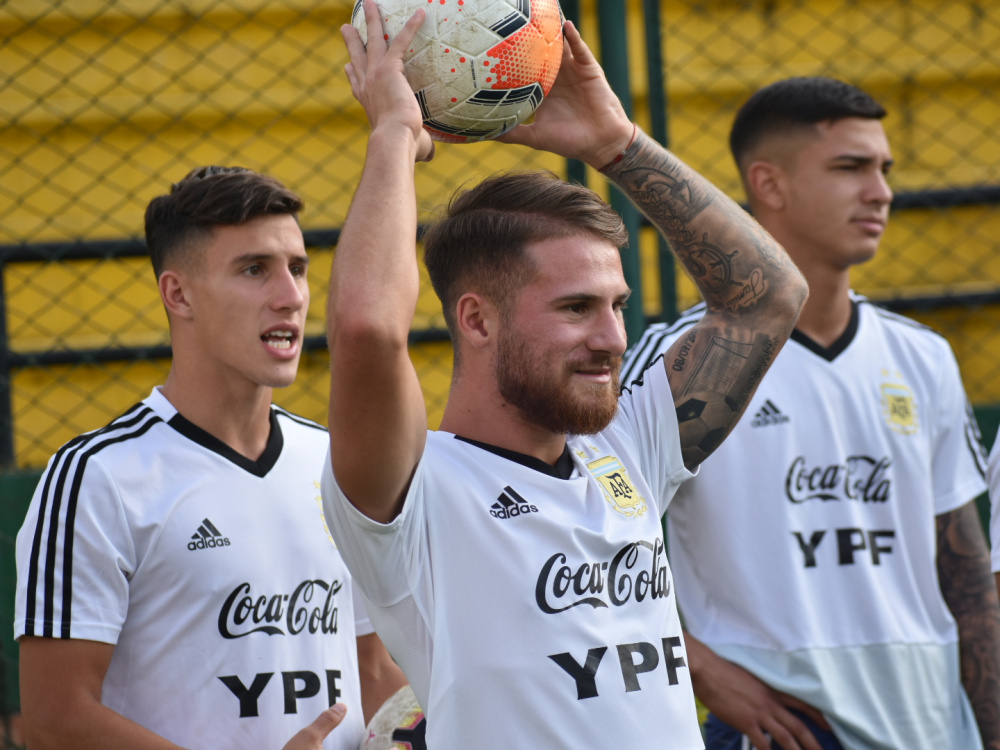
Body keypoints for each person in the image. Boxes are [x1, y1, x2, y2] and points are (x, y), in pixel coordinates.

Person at [319, 3, 808, 747]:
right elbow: (367, 330)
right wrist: (392, 134)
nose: (613, 338)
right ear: (476, 320)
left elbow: (771, 297)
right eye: (576, 307)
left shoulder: (628, 448)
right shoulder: (411, 494)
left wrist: (618, 145)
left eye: (617, 305)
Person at [621, 77, 1000, 750]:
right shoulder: (680, 360)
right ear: (769, 184)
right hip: (783, 730)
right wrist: (701, 669)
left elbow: (966, 575)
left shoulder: (925, 358)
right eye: (850, 167)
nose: (880, 191)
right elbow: (589, 541)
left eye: (884, 169)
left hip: (934, 727)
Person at [13, 166, 407, 750]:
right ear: (179, 293)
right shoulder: (98, 476)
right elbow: (54, 720)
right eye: (255, 270)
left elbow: (369, 669)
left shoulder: (332, 459)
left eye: (297, 269)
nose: (291, 296)